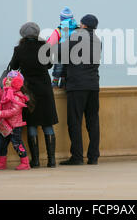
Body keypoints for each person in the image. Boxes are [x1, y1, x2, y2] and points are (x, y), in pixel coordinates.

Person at [9, 22, 59, 168]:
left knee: (32, 124)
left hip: (28, 90)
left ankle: (35, 161)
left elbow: (14, 66)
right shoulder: (45, 48)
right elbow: (49, 65)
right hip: (44, 88)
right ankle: (51, 160)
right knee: (47, 124)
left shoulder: (19, 49)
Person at [57, 14, 102, 165]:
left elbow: (61, 54)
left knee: (75, 121)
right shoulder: (97, 41)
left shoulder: (75, 38)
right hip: (93, 85)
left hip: (77, 86)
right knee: (93, 121)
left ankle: (77, 156)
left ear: (83, 25)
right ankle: (93, 156)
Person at [0, 71, 33, 171]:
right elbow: (4, 99)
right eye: (7, 79)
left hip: (15, 126)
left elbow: (13, 111)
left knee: (17, 144)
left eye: (10, 80)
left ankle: (25, 162)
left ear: (16, 82)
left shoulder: (18, 96)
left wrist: (0, 113)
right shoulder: (7, 92)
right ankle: (2, 162)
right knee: (1, 143)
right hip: (5, 125)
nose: (7, 81)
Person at [47, 7, 79, 88]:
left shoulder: (59, 30)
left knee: (59, 66)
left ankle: (55, 81)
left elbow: (50, 44)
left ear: (61, 19)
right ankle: (64, 81)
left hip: (61, 54)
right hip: (74, 56)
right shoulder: (77, 29)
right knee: (68, 70)